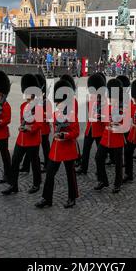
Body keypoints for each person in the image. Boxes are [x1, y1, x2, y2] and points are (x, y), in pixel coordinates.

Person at [35, 79, 80, 209]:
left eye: (59, 102)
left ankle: (72, 197)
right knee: (49, 173)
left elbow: (76, 131)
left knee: (70, 175)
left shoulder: (71, 114)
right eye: (57, 102)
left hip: (68, 149)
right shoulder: (56, 114)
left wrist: (65, 135)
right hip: (56, 149)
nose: (58, 104)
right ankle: (46, 198)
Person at [2, 74, 42, 195]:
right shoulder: (23, 106)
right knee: (15, 161)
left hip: (33, 139)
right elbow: (22, 120)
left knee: (34, 163)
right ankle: (13, 185)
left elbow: (39, 124)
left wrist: (30, 128)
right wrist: (22, 127)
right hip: (22, 139)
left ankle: (36, 184)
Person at [94, 78, 126, 194]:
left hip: (117, 138)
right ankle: (103, 180)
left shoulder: (122, 108)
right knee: (98, 158)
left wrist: (117, 125)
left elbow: (126, 125)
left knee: (118, 163)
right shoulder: (107, 106)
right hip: (106, 137)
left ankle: (117, 184)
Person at [78, 73, 106, 175]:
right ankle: (83, 167)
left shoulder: (104, 101)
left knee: (100, 154)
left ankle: (100, 171)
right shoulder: (92, 100)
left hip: (99, 130)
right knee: (85, 150)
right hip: (90, 128)